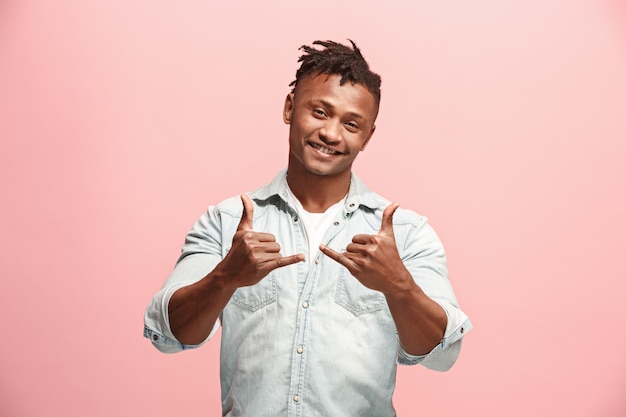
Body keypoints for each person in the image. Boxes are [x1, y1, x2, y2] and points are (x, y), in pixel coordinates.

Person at [144, 39, 472, 417]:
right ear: (289, 108)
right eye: (320, 112)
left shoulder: (407, 234)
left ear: (368, 136)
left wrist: (398, 286)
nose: (332, 134)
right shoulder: (226, 221)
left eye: (352, 124)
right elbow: (169, 336)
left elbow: (444, 355)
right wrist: (224, 278)